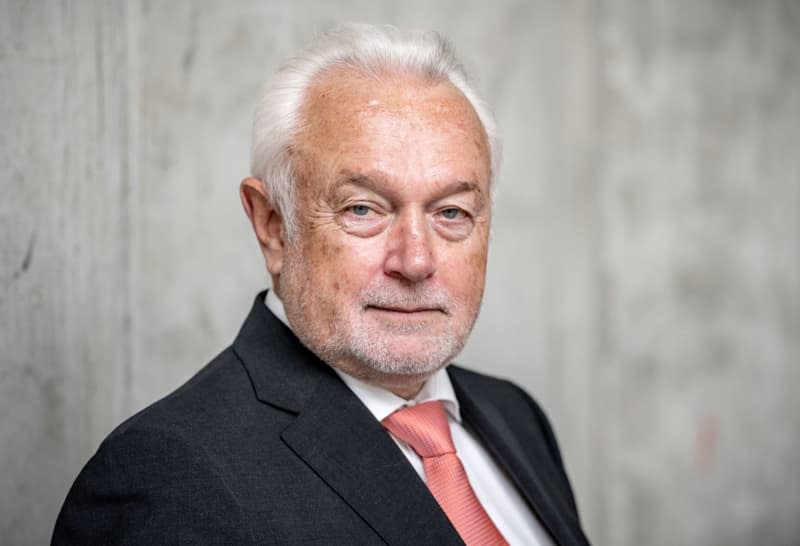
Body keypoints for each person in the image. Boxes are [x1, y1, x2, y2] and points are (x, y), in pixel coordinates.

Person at [52, 23, 590, 546]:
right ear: (272, 225)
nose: (417, 260)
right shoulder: (171, 477)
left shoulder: (515, 417)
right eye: (363, 208)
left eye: (451, 212)